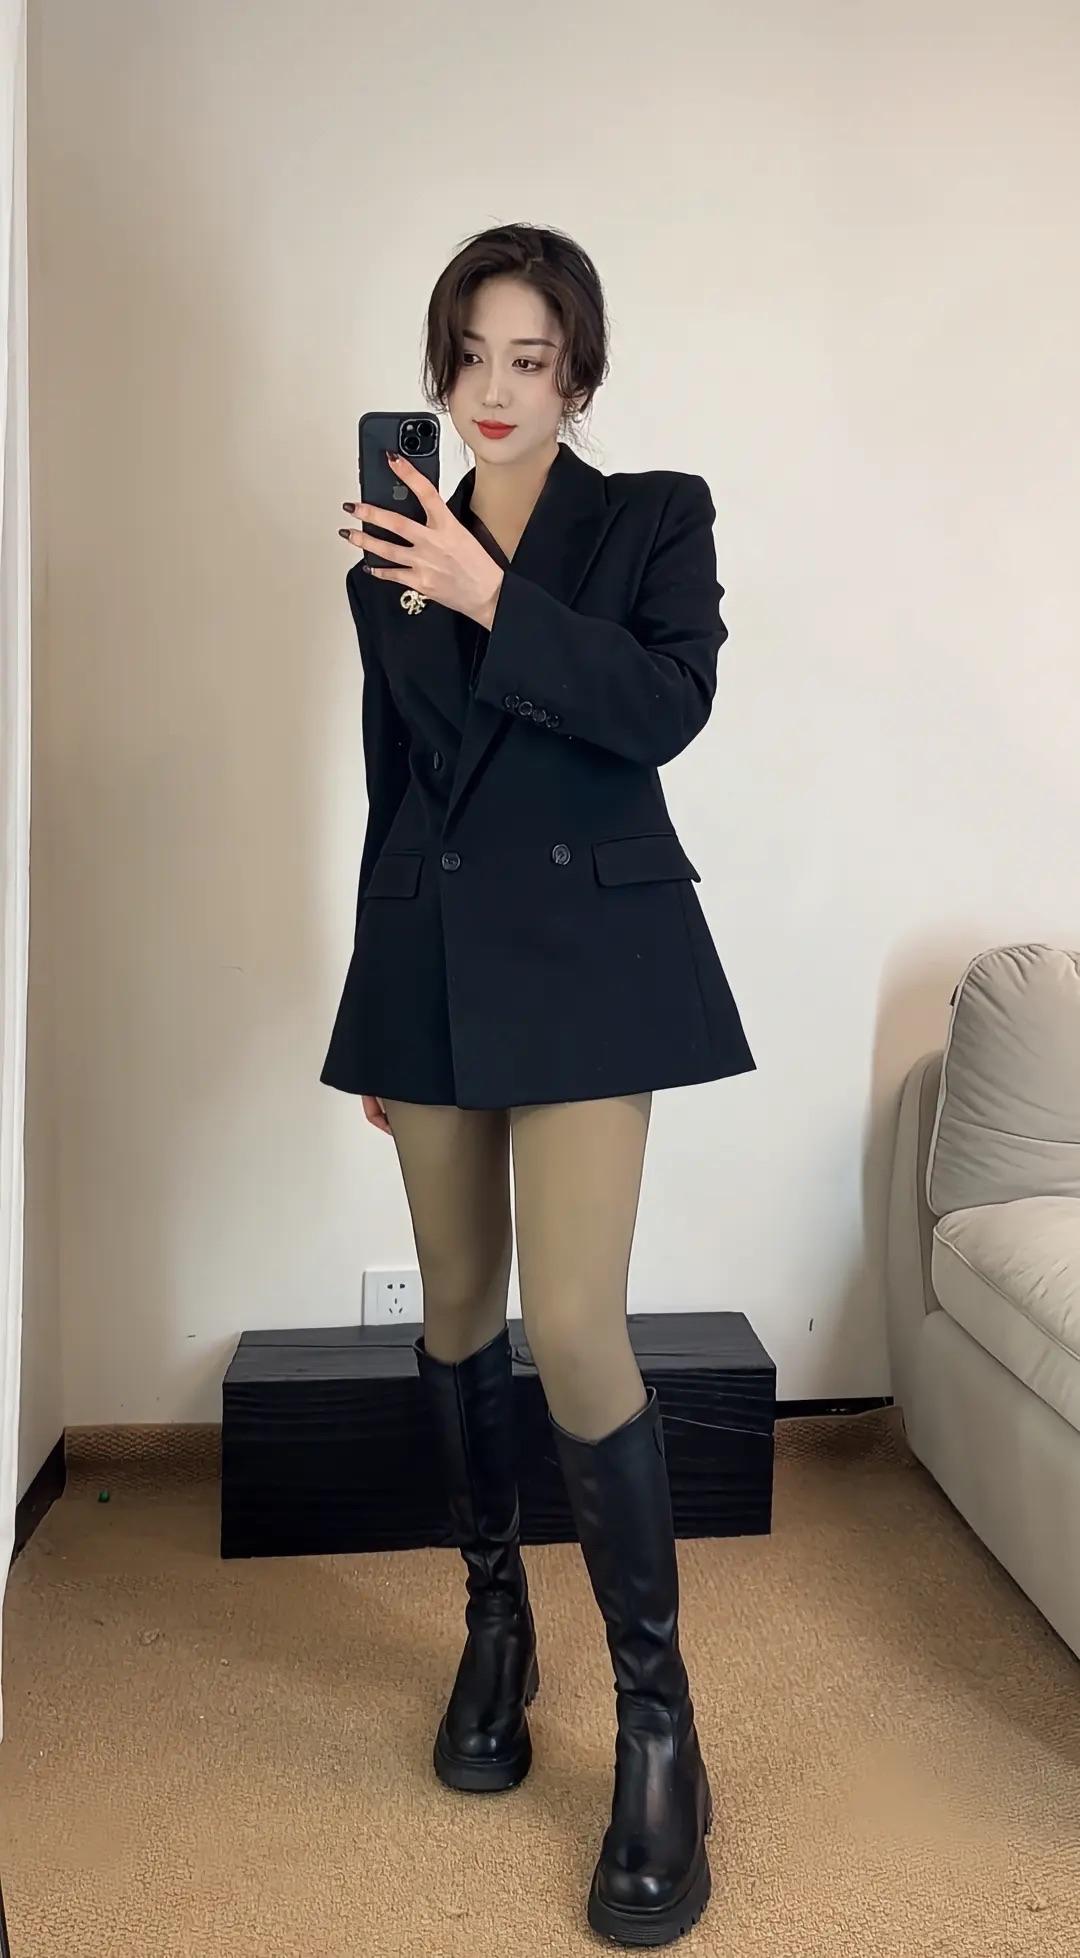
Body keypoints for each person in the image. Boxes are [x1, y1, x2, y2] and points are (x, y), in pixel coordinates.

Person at [323, 222, 756, 1948]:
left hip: (589, 959)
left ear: (579, 372)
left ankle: (659, 1724)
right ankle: (494, 1623)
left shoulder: (653, 516)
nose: (493, 390)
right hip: (430, 961)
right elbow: (396, 776)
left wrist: (493, 594)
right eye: (470, 356)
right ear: (439, 367)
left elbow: (664, 705)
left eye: (530, 358)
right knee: (456, 1304)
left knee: (575, 1318)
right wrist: (379, 998)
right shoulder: (390, 544)